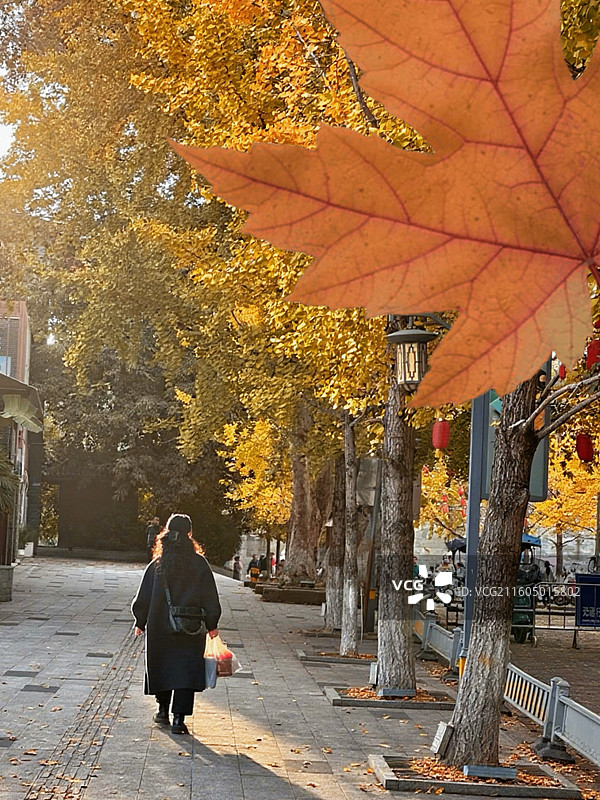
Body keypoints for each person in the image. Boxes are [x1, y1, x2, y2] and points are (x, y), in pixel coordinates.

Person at [131, 513, 221, 735]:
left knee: (162, 665)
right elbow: (210, 596)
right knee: (185, 670)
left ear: (167, 534)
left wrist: (140, 620)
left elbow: (142, 597)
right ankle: (179, 719)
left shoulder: (158, 565)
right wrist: (212, 623)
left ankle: (162, 711)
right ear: (190, 534)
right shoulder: (199, 564)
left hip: (161, 625)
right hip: (190, 627)